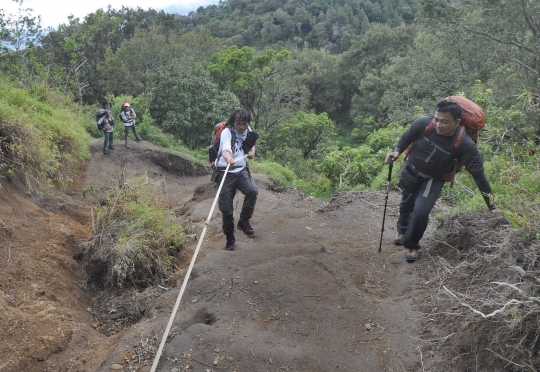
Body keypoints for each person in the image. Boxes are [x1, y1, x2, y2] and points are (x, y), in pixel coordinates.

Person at [385, 99, 497, 262]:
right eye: (436, 119)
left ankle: (411, 244)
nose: (438, 124)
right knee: (406, 203)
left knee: (421, 212)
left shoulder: (465, 144)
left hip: (434, 180)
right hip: (411, 170)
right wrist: (396, 152)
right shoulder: (424, 123)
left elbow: (479, 175)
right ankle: (401, 230)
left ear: (457, 122)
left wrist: (492, 205)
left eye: (444, 122)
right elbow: (404, 139)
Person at [213, 108, 259, 251]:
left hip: (241, 169)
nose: (241, 127)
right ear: (233, 123)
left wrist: (252, 152)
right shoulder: (227, 132)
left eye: (244, 124)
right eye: (238, 123)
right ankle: (230, 237)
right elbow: (225, 149)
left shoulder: (247, 129)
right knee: (226, 208)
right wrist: (228, 157)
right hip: (225, 171)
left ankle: (244, 221)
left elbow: (252, 145)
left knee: (252, 191)